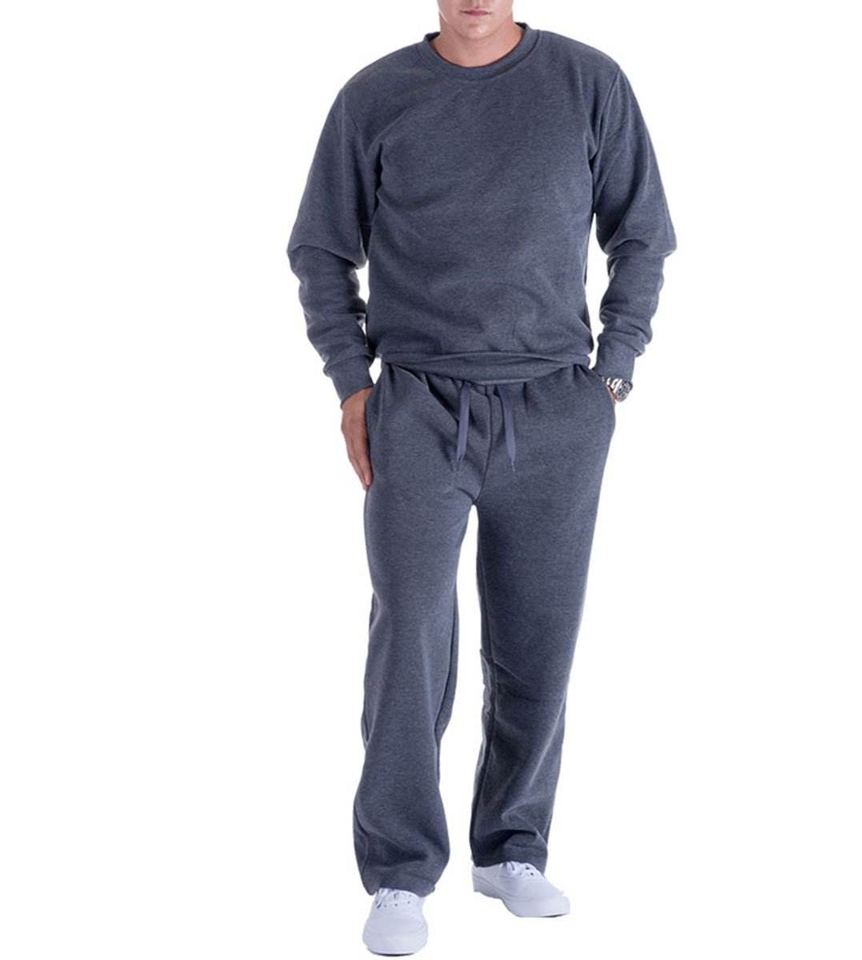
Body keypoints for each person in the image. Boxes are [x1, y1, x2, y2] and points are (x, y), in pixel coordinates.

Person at [286, 3, 676, 954]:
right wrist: (352, 385)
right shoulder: (375, 96)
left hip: (556, 405)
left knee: (538, 641)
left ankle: (512, 849)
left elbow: (642, 234)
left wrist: (613, 373)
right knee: (411, 635)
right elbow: (320, 250)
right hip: (418, 406)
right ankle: (399, 871)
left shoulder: (589, 83)